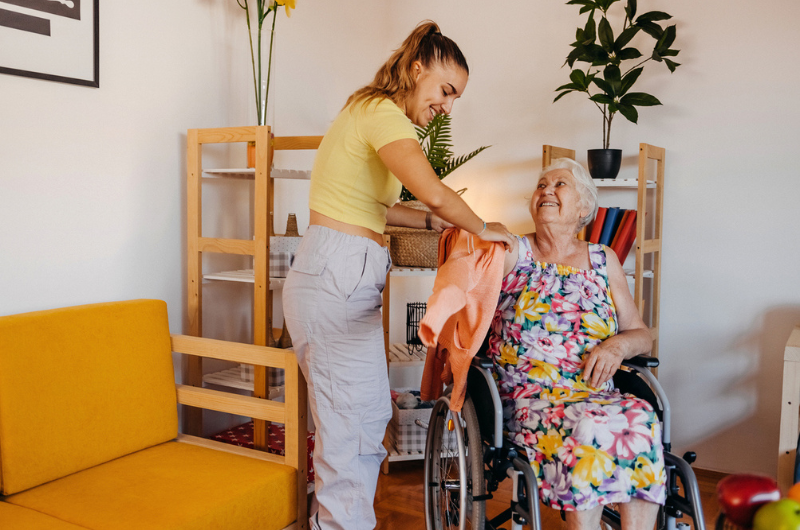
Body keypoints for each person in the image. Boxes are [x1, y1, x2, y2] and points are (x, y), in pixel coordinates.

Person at [282, 21, 515, 530]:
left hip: (341, 272)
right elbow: (431, 189)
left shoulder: (368, 112)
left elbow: (376, 207)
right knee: (351, 427)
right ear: (416, 69)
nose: (447, 107)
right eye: (445, 91)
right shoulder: (382, 112)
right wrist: (482, 225)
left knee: (364, 420)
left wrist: (435, 223)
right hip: (336, 275)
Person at [488, 158, 665, 530]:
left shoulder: (604, 259)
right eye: (541, 184)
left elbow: (641, 334)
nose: (546, 190)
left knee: (642, 417)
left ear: (584, 208)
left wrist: (616, 347)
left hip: (595, 392)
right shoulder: (510, 252)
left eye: (560, 184)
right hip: (530, 396)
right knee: (588, 426)